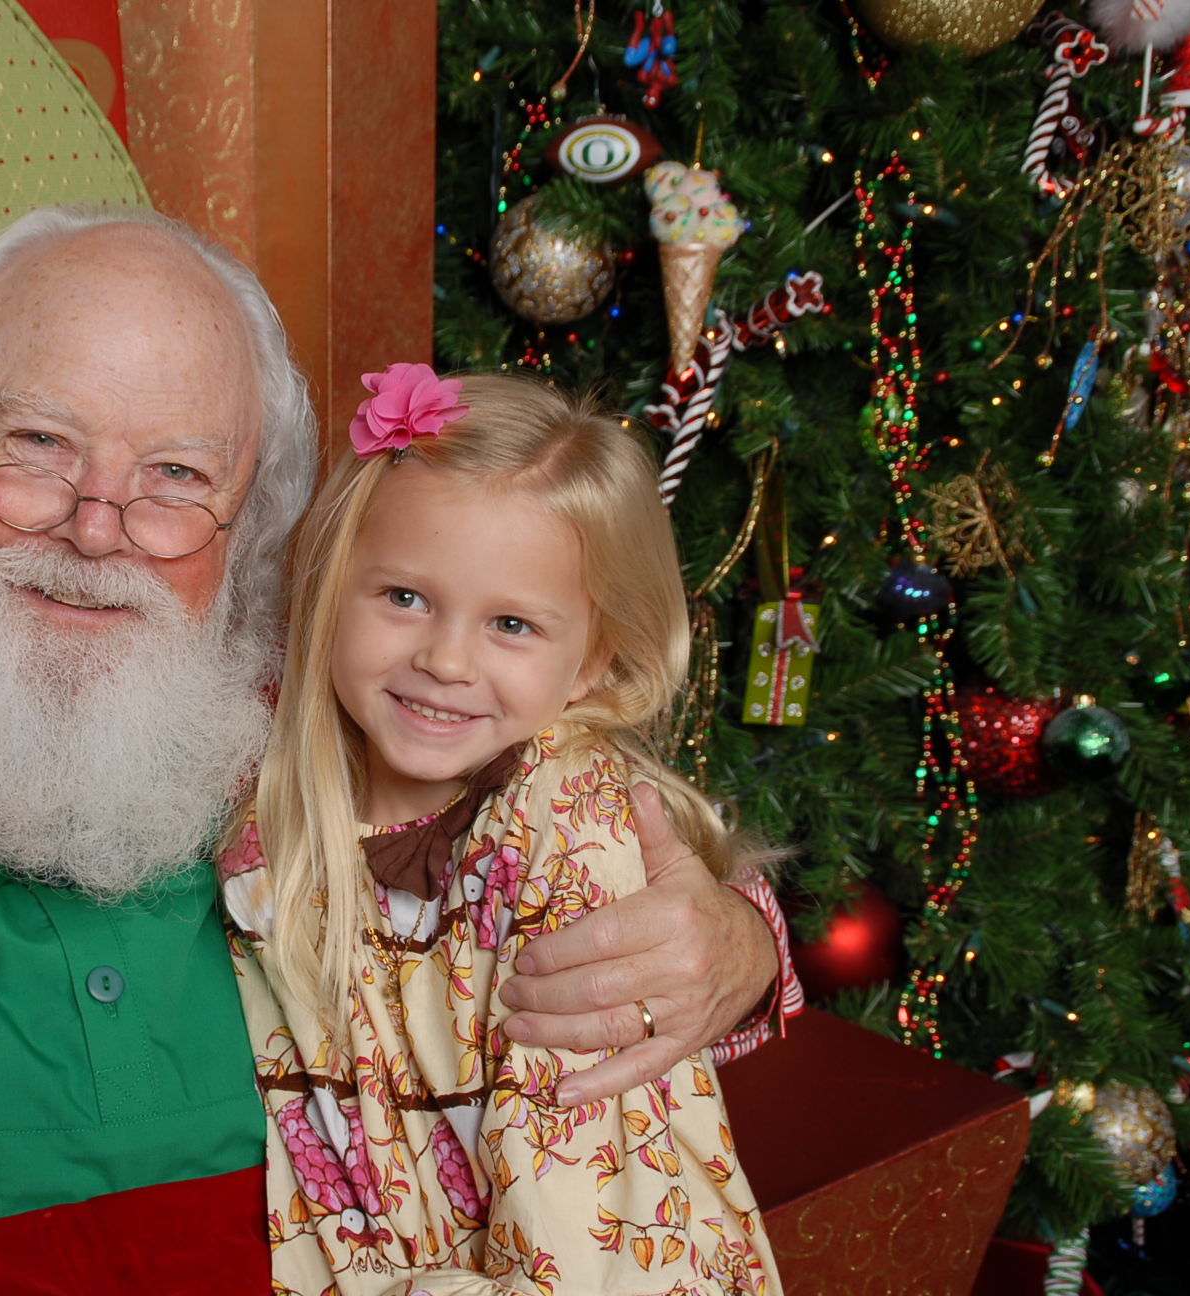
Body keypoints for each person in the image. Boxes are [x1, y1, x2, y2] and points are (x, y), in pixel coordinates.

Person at [0, 206, 797, 1294]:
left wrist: (740, 951)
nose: (96, 528)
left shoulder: (318, 688)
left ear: (250, 511)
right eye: (37, 443)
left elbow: (556, 854)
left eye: (174, 474)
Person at [219, 368, 780, 1293]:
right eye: (404, 596)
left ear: (591, 659)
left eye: (512, 623)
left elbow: (589, 1212)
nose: (445, 660)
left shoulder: (568, 828)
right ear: (329, 585)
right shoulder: (275, 806)